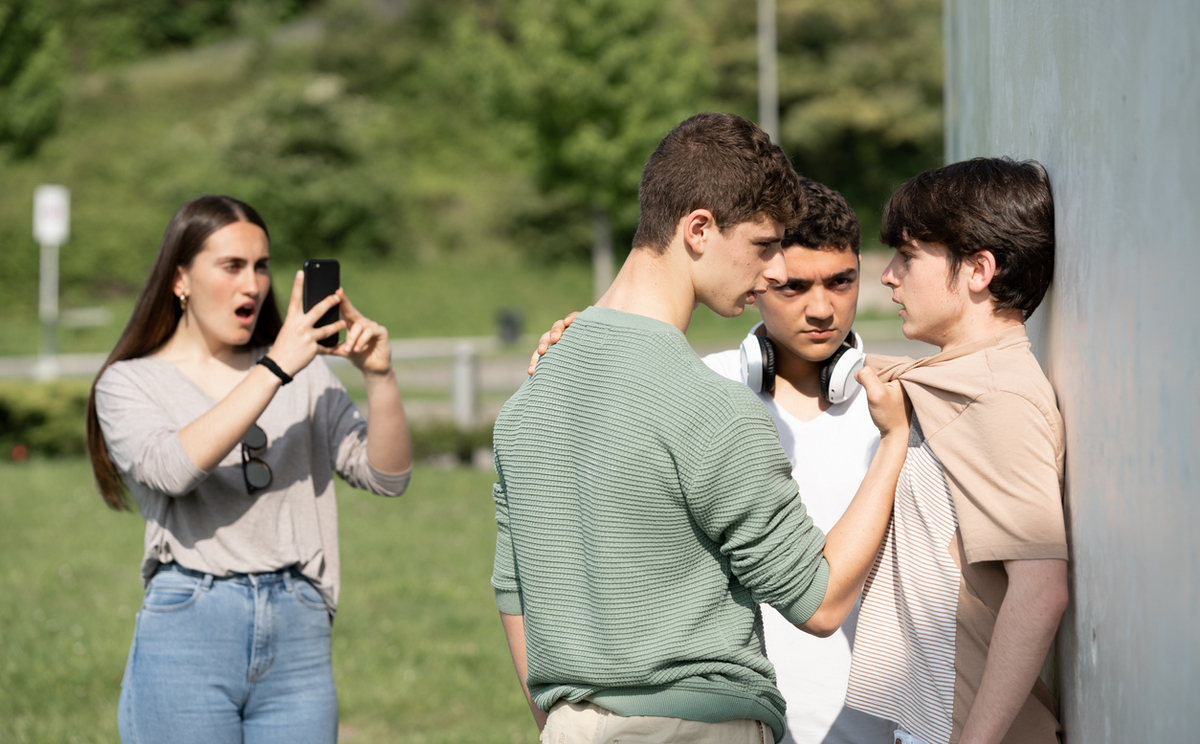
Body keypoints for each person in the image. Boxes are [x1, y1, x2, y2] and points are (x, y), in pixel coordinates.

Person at [491, 112, 910, 744]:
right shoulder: (712, 406)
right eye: (764, 246)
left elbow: (514, 592)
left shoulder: (529, 399)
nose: (773, 271)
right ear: (698, 230)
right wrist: (895, 443)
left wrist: (563, 724)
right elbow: (820, 601)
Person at [85, 195, 413, 744]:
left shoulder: (305, 376)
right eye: (232, 266)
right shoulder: (130, 383)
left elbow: (387, 476)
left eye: (261, 266)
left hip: (298, 630)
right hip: (189, 626)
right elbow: (172, 469)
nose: (254, 285)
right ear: (180, 279)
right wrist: (277, 366)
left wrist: (379, 376)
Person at [843, 158, 1069, 744]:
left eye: (909, 255)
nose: (889, 276)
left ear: (978, 270)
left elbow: (1041, 586)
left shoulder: (997, 397)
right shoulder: (958, 381)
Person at [702, 178, 894, 744]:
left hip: (876, 727)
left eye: (841, 282)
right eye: (793, 287)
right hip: (734, 723)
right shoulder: (703, 390)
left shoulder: (901, 407)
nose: (821, 308)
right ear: (756, 284)